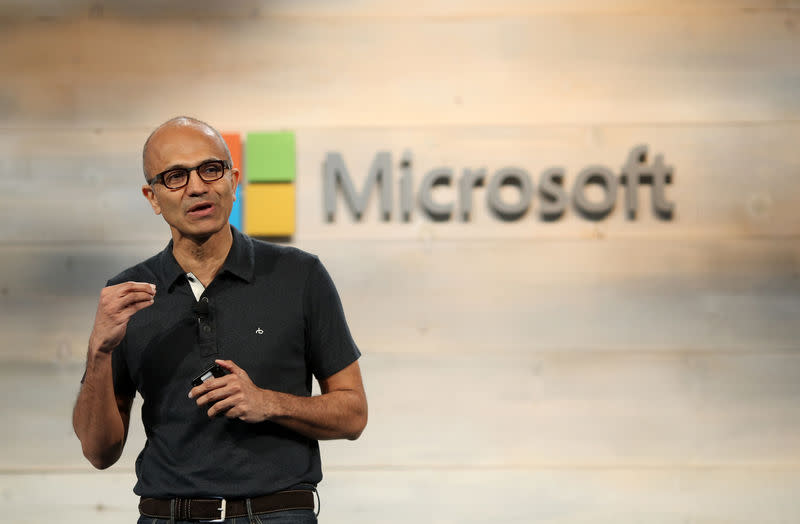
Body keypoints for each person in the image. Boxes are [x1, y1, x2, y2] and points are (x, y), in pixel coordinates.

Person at [72, 116, 367, 524]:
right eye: (175, 176)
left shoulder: (299, 275)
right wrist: (98, 350)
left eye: (211, 169)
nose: (197, 186)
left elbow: (353, 413)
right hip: (168, 515)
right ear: (152, 197)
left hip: (277, 513)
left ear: (234, 180)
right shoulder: (127, 293)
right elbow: (98, 451)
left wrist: (268, 403)